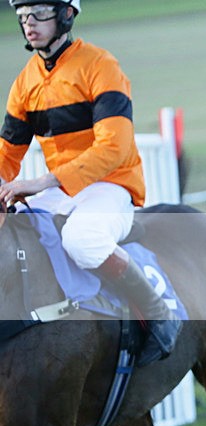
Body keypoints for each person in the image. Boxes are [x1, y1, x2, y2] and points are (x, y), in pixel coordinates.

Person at [0, 0, 181, 366]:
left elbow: (113, 148)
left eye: (38, 14)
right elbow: (7, 153)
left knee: (81, 240)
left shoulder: (100, 66)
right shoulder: (26, 82)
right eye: (22, 17)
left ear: (67, 14)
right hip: (61, 191)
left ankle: (159, 314)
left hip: (110, 184)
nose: (29, 23)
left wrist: (42, 181)